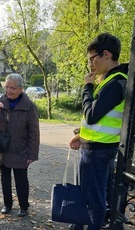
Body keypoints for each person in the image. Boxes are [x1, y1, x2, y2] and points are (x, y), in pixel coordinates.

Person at [69, 33, 128, 230]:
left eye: (92, 59)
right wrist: (81, 136)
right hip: (95, 146)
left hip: (100, 151)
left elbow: (91, 114)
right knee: (91, 194)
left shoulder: (116, 82)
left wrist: (87, 87)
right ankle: (81, 224)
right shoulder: (109, 80)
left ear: (106, 55)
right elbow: (97, 119)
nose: (91, 64)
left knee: (94, 199)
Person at [0, 73, 40, 217]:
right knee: (4, 178)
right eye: (7, 87)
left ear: (21, 89)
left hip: (20, 149)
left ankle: (24, 206)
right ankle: (7, 204)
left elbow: (34, 132)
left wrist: (32, 154)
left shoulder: (29, 106)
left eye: (13, 88)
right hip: (2, 148)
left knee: (21, 180)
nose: (9, 91)